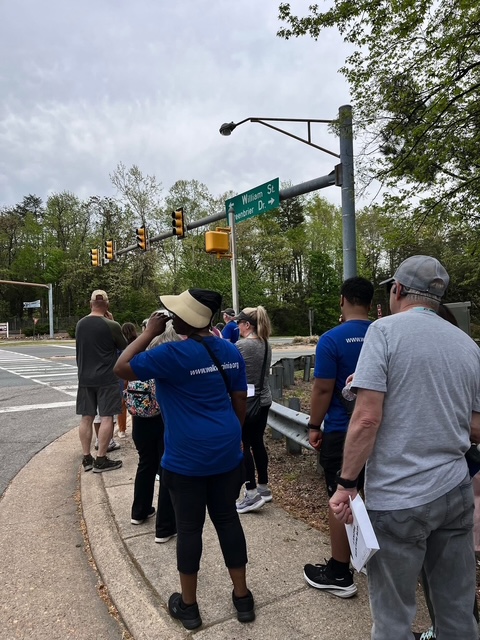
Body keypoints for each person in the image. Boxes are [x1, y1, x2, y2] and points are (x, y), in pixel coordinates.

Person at [329, 255, 480, 639]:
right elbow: (476, 426)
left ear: (397, 290)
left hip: (399, 497)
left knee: (393, 618)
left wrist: (347, 484)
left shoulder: (384, 331)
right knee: (457, 612)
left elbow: (366, 419)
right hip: (455, 491)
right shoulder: (467, 344)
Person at [114, 289, 255, 629]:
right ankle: (242, 598)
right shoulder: (230, 350)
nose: (171, 317)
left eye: (176, 313)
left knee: (189, 528)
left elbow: (122, 367)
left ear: (187, 319)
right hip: (226, 450)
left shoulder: (170, 354)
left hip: (186, 456)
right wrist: (234, 435)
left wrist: (149, 332)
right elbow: (239, 398)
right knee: (227, 520)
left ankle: (188, 606)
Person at [303, 276, 374, 598]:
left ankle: (339, 572)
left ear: (343, 300)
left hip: (342, 432)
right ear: (370, 303)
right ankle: (368, 557)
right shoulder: (383, 333)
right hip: (380, 432)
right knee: (369, 494)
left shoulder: (332, 339)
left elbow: (322, 388)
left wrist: (313, 425)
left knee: (342, 495)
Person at [130, 316, 177, 545]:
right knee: (166, 469)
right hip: (163, 419)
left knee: (145, 464)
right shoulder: (169, 358)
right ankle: (165, 527)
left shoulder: (141, 356)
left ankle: (139, 511)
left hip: (140, 418)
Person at [76, 290, 126, 473]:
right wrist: (113, 321)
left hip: (85, 378)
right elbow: (124, 347)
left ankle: (86, 458)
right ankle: (101, 459)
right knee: (107, 417)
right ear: (107, 305)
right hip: (106, 378)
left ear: (90, 304)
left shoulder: (80, 324)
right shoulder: (111, 325)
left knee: (86, 417)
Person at [234, 306, 273, 514]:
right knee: (258, 442)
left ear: (247, 325)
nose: (237, 327)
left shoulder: (241, 345)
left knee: (244, 444)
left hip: (246, 402)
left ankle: (251, 494)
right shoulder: (265, 343)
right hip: (263, 399)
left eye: (239, 323)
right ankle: (263, 487)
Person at [116, 322, 138, 438]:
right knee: (136, 400)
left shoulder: (120, 345)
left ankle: (122, 429)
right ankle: (135, 427)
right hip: (135, 374)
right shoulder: (138, 343)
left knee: (122, 404)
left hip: (122, 376)